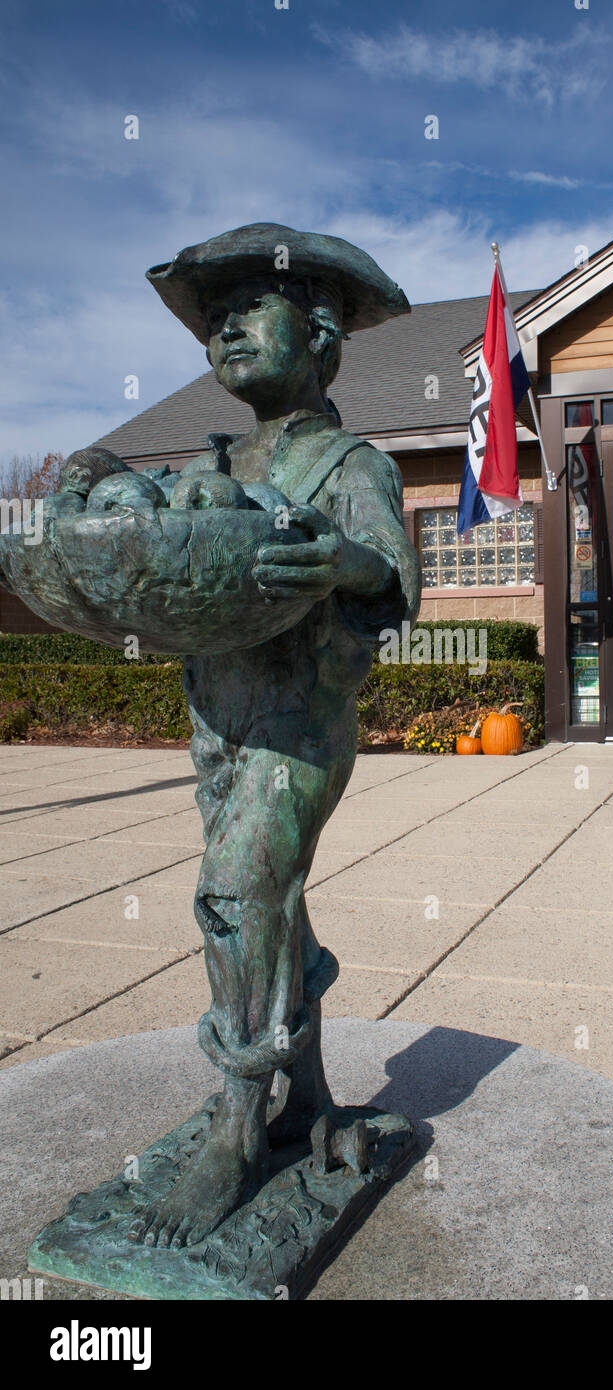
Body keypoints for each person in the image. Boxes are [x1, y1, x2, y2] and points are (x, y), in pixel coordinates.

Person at [124, 223, 420, 1249]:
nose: (229, 327)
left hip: (299, 724)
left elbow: (389, 570)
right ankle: (306, 1097)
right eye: (217, 318)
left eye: (255, 306)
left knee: (239, 886)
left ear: (323, 334)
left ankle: (241, 1121)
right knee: (271, 908)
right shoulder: (210, 462)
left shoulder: (347, 459)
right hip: (219, 718)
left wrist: (342, 559)